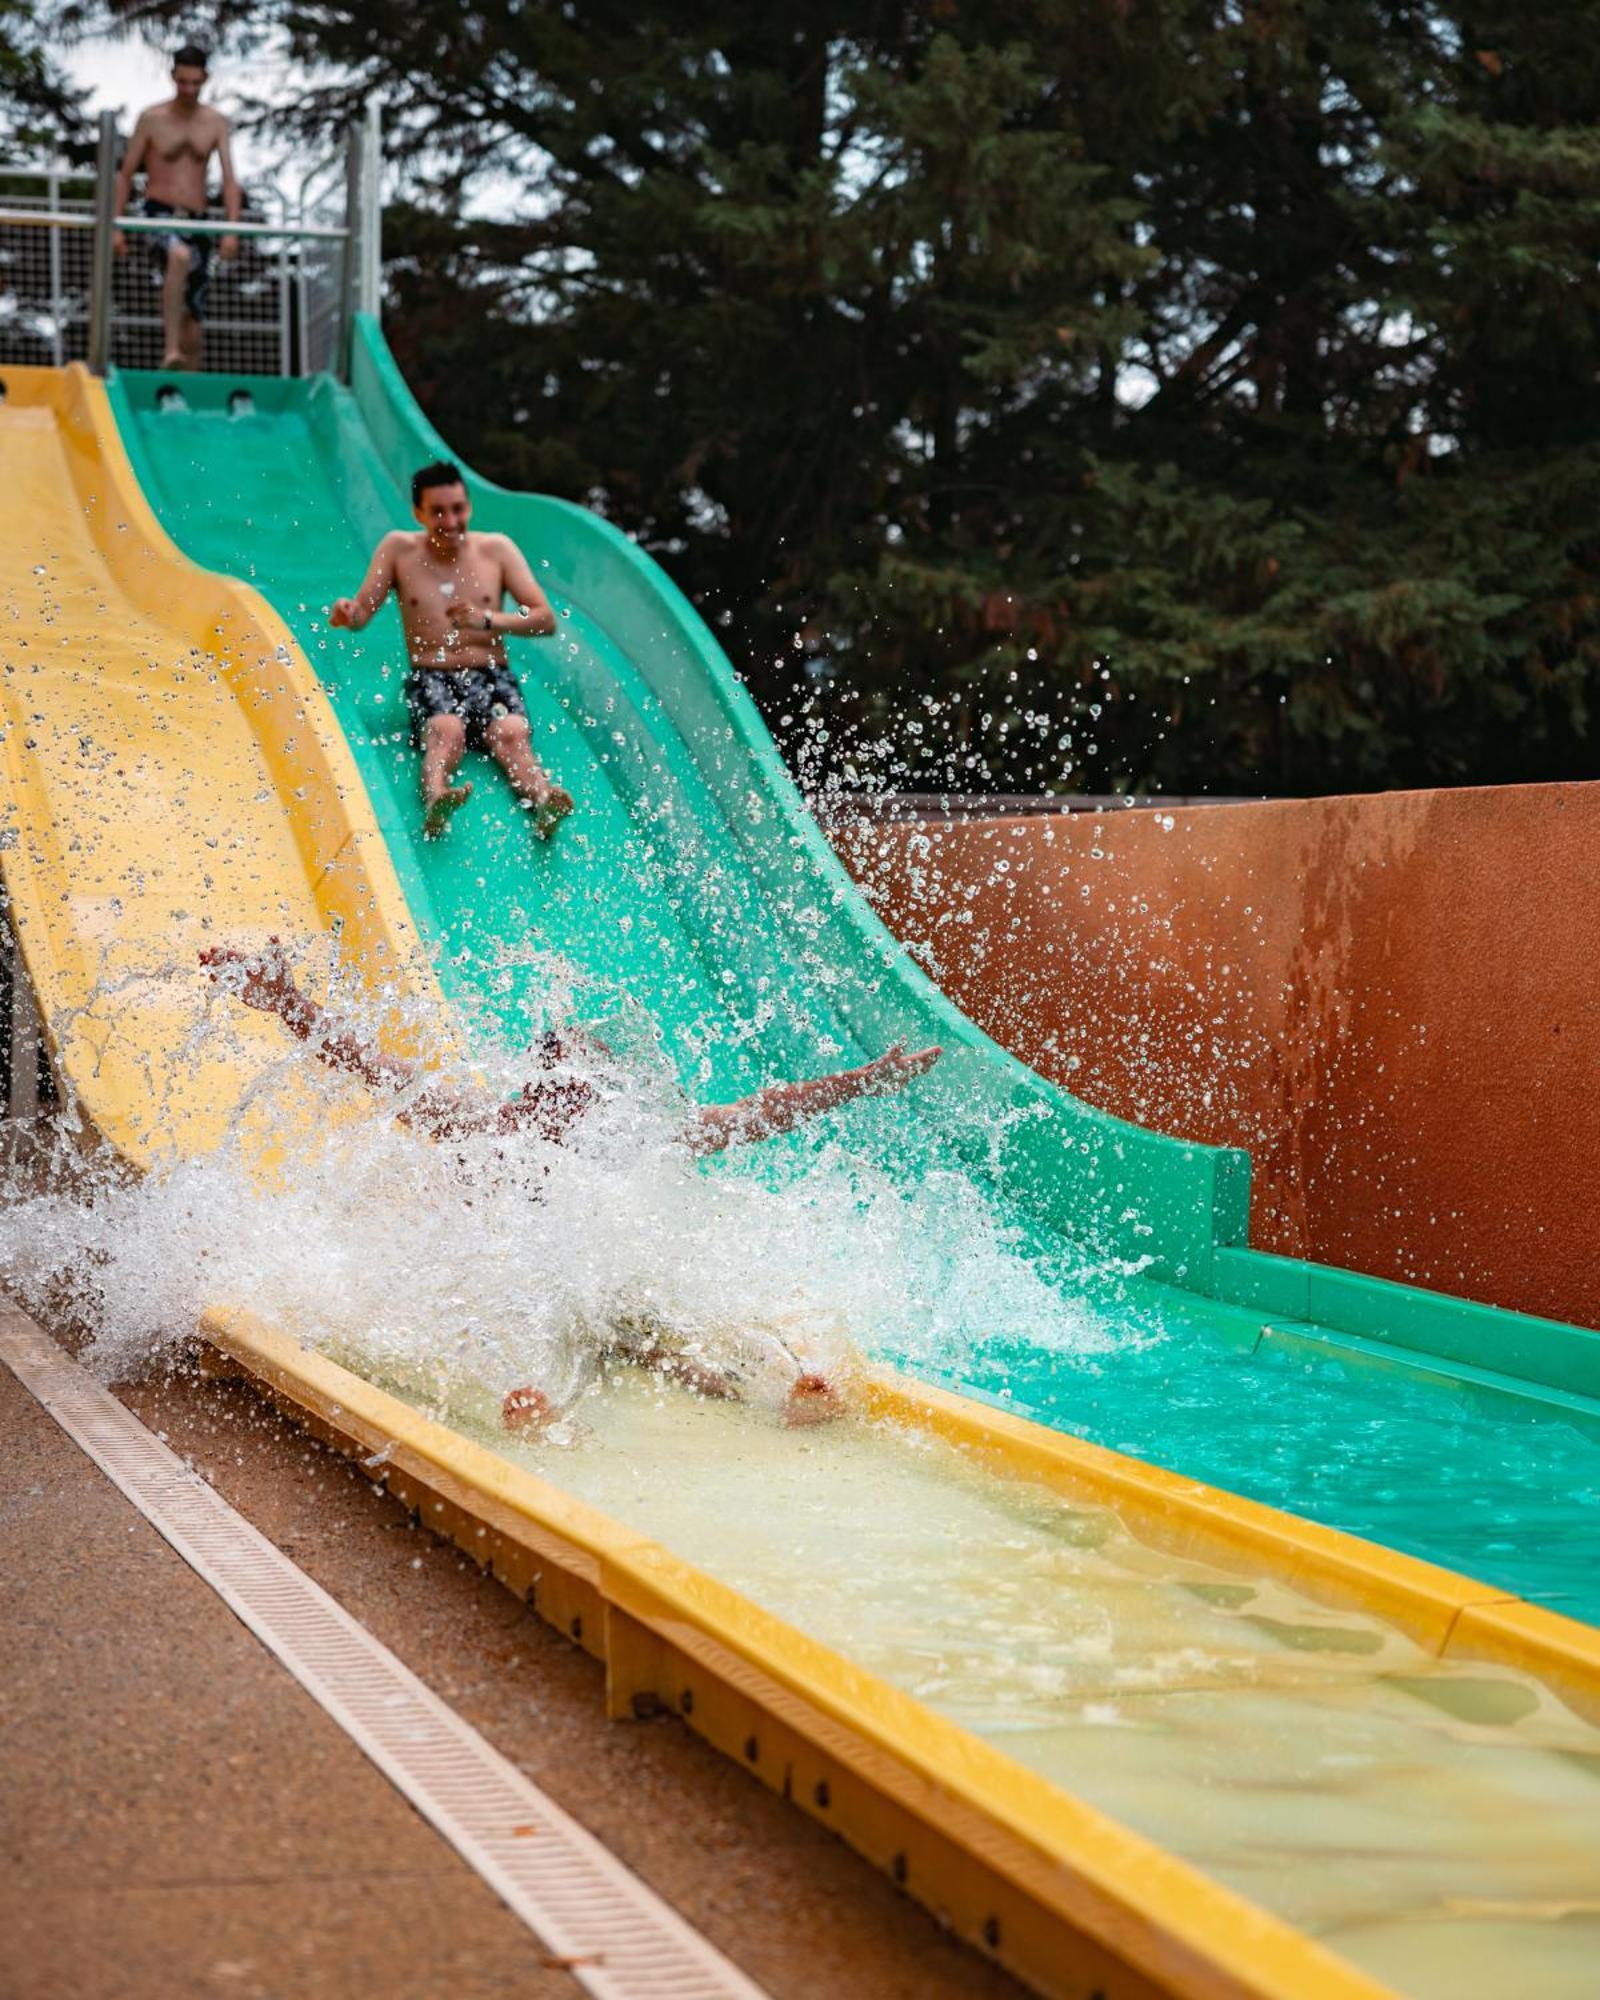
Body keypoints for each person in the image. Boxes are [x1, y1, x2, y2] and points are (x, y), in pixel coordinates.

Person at [200, 941, 942, 1429]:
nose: (557, 1095)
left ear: (595, 1093)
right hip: (537, 1297)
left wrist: (862, 1082)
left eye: (573, 1082)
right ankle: (527, 1398)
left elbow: (760, 1113)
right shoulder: (489, 1126)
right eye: (548, 1079)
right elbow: (368, 1064)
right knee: (506, 1306)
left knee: (679, 1335)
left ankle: (784, 1385)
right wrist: (289, 1002)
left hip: (618, 1302)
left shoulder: (633, 1137)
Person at [329, 463, 576, 841]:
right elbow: (363, 611)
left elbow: (544, 619)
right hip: (432, 673)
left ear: (469, 507)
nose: (451, 520)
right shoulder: (399, 550)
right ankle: (437, 797)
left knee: (511, 732)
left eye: (458, 508)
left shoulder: (497, 551)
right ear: (418, 514)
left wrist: (489, 620)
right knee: (446, 730)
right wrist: (349, 614)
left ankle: (542, 799)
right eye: (438, 511)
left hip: (491, 673)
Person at [112, 45, 241, 371]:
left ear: (205, 79)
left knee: (194, 329)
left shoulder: (215, 122)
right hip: (159, 212)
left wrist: (232, 229)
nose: (188, 90)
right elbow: (125, 174)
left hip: (197, 219)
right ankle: (169, 349)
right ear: (173, 76)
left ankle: (188, 395)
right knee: (178, 256)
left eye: (195, 83)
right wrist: (116, 225)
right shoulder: (152, 118)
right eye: (182, 82)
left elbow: (229, 180)